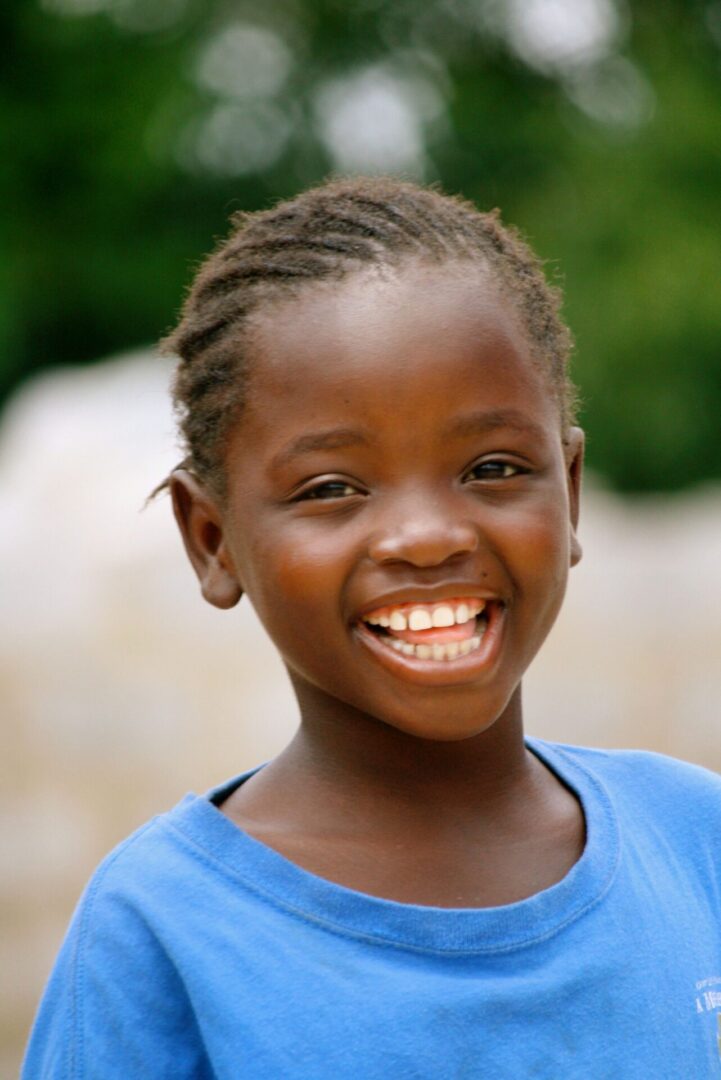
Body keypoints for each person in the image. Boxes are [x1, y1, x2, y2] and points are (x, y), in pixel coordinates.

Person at [23, 177, 721, 1078]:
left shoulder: (696, 841)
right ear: (212, 541)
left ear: (571, 491)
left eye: (494, 467)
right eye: (331, 489)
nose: (429, 536)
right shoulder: (162, 930)